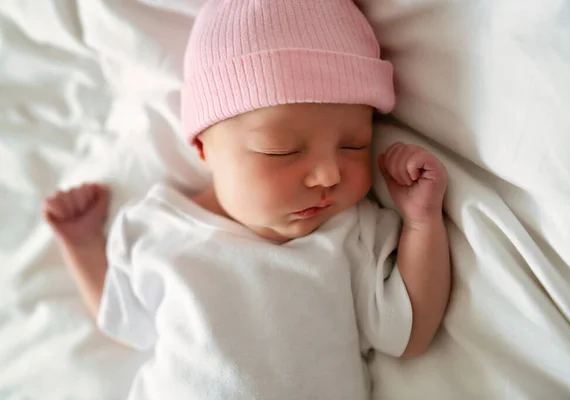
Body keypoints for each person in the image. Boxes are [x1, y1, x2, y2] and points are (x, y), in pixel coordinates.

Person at [43, 0, 451, 399]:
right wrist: (83, 246)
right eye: (282, 150)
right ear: (204, 149)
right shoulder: (157, 226)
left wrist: (422, 222)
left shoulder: (349, 232)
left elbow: (409, 334)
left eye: (354, 145)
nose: (329, 175)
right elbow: (125, 322)